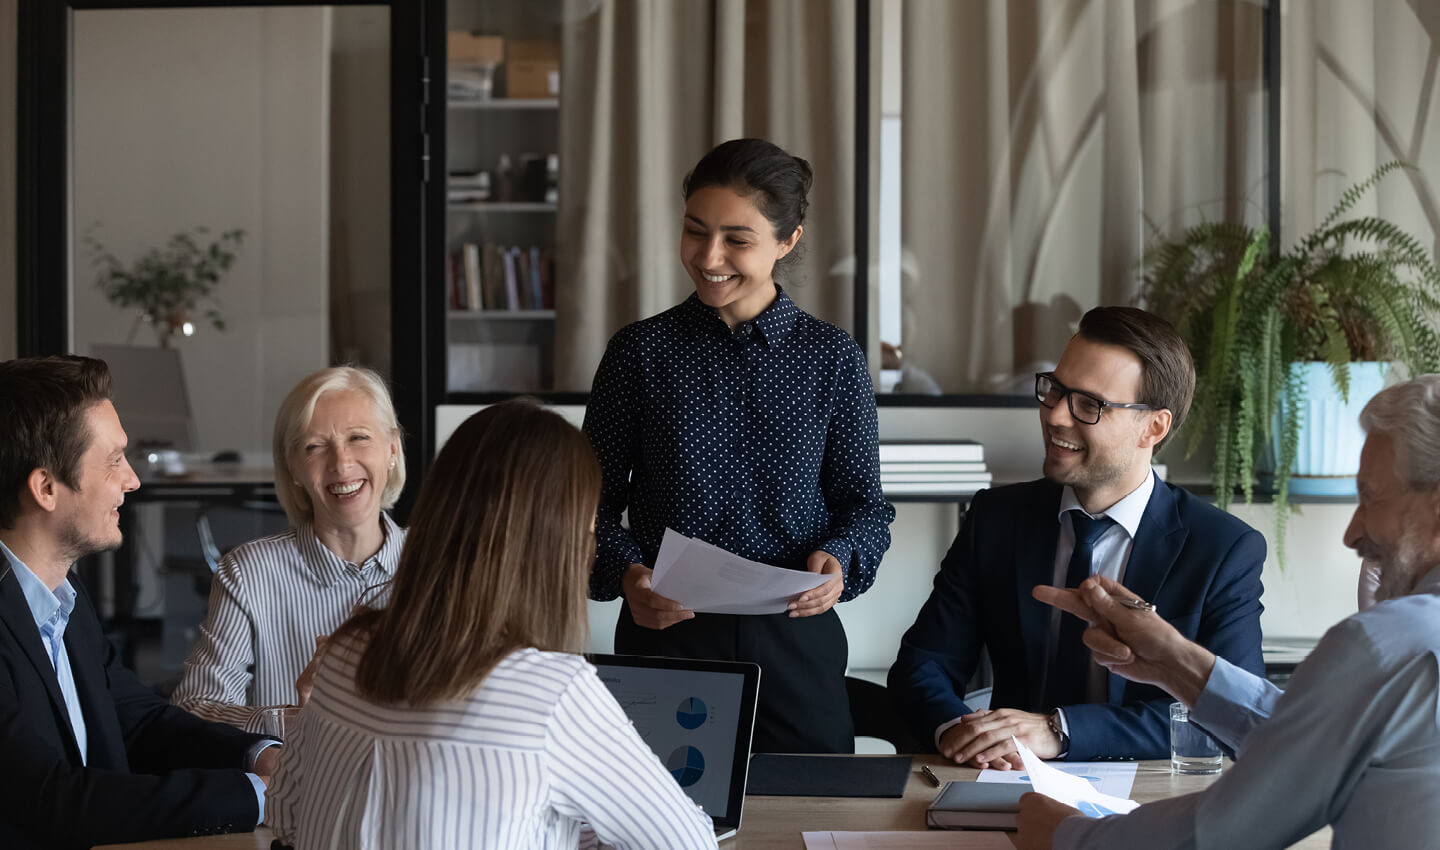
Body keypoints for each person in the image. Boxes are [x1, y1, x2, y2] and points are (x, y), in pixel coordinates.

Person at [266, 399, 716, 849]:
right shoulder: (552, 692)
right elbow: (689, 844)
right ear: (567, 538)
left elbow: (284, 816)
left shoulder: (347, 650)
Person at [1019, 374, 1440, 849]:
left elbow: (1227, 830)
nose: (1352, 533)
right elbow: (1311, 743)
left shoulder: (1386, 645)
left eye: (1371, 498)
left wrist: (1068, 837)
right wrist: (1177, 663)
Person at [582, 138, 895, 753]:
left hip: (794, 639)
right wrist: (627, 575)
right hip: (665, 635)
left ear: (788, 241)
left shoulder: (831, 358)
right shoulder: (640, 353)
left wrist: (841, 562)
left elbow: (865, 506)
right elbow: (584, 503)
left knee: (811, 822)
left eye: (737, 239)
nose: (709, 257)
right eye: (695, 232)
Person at [888, 306, 1265, 765]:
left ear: (1154, 426)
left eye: (1089, 405)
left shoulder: (1223, 548)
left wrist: (1060, 731)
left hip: (1150, 801)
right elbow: (923, 666)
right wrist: (963, 733)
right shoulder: (996, 519)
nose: (1055, 416)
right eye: (1055, 391)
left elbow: (1232, 712)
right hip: (1009, 784)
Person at [0, 355, 276, 849]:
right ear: (45, 488)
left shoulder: (66, 596)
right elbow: (51, 799)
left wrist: (258, 756)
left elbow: (136, 718)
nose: (133, 480)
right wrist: (260, 796)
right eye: (113, 461)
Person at [171, 366, 406, 731]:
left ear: (392, 449)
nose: (341, 463)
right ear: (293, 468)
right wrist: (295, 719)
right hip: (293, 784)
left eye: (358, 438)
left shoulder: (442, 567)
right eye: (315, 447)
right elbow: (195, 708)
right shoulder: (249, 573)